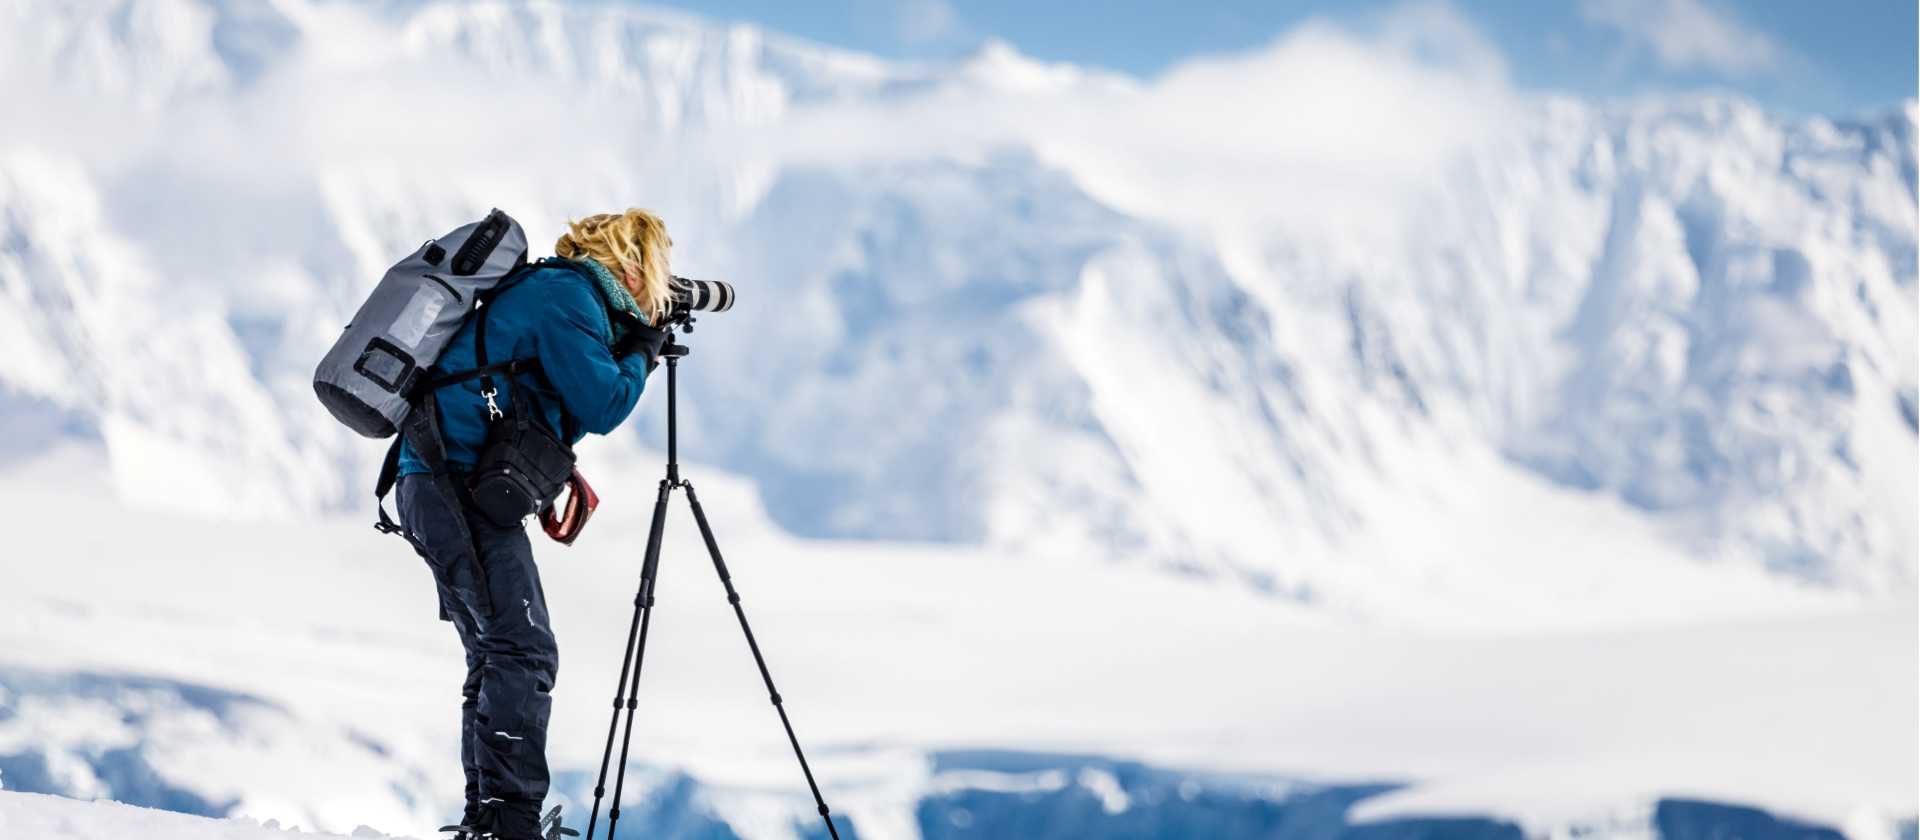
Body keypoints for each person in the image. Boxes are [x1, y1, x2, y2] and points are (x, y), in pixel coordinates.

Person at [394, 209, 674, 840]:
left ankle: (489, 820)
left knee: (496, 651)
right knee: (522, 648)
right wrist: (643, 353)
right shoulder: (566, 297)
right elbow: (603, 403)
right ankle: (506, 825)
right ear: (631, 268)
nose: (660, 291)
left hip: (443, 484)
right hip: (451, 486)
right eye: (657, 275)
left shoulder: (557, 292)